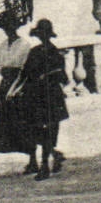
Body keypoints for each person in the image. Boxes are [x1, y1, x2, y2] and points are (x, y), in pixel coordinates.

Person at [0, 12, 36, 178]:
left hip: (19, 88)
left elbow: (25, 71)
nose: (8, 32)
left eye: (10, 28)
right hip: (4, 87)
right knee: (1, 124)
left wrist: (14, 89)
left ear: (15, 28)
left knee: (24, 124)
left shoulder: (24, 45)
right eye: (5, 29)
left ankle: (33, 161)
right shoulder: (3, 45)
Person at [21, 18, 70, 180]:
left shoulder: (39, 52)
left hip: (43, 97)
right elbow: (64, 78)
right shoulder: (54, 53)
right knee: (44, 131)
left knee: (43, 130)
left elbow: (26, 74)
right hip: (47, 97)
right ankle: (50, 159)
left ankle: (43, 165)